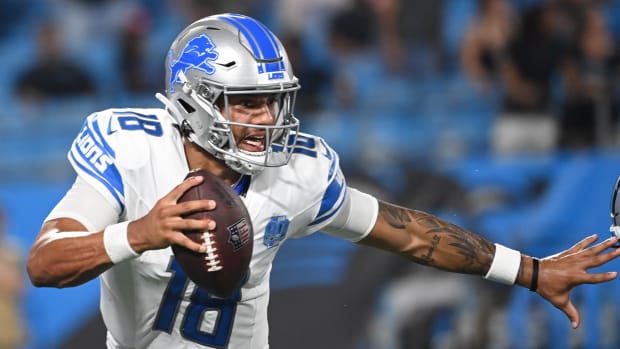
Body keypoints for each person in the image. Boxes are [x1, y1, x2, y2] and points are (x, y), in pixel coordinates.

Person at [26, 13, 620, 349]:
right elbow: (45, 264)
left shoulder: (300, 172)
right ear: (194, 101)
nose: (268, 120)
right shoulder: (133, 150)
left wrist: (531, 271)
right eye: (248, 103)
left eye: (274, 102)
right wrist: (139, 233)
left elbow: (408, 232)